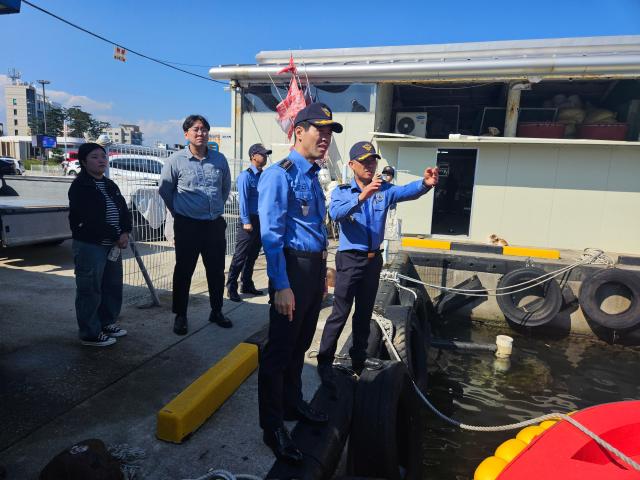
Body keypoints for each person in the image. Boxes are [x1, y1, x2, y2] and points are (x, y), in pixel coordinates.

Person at [257, 103, 343, 464]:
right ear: (298, 132)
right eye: (319, 130)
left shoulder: (310, 174)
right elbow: (272, 235)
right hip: (290, 271)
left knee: (299, 347)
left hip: (310, 271)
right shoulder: (280, 174)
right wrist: (281, 285)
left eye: (329, 132)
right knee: (278, 354)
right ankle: (272, 426)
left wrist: (322, 275)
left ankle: (293, 404)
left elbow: (312, 230)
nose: (325, 138)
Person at [316, 141, 438, 389]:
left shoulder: (384, 190)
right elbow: (337, 214)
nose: (371, 165)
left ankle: (359, 358)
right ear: (352, 165)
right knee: (340, 313)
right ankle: (324, 361)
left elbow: (407, 192)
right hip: (350, 259)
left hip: (373, 260)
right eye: (365, 161)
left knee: (364, 313)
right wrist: (363, 196)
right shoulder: (342, 191)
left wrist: (425, 184)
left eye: (373, 160)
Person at [159, 114, 232, 335]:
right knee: (184, 271)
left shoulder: (219, 160)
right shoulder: (175, 161)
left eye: (204, 129)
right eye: (196, 129)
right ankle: (180, 315)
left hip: (213, 225)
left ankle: (216, 310)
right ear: (186, 134)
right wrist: (180, 212)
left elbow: (225, 188)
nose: (201, 133)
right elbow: (165, 190)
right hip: (187, 226)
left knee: (217, 271)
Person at [68, 142, 132, 347]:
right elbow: (90, 218)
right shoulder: (80, 187)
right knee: (90, 288)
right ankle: (89, 332)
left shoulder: (110, 185)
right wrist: (116, 234)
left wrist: (125, 231)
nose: (101, 160)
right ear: (84, 162)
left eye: (103, 156)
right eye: (95, 157)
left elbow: (123, 210)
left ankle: (106, 322)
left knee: (112, 286)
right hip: (91, 245)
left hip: (112, 245)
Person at [225, 143, 271, 302]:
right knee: (240, 255)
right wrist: (245, 221)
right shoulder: (246, 176)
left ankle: (247, 283)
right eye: (262, 154)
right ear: (253, 156)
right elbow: (243, 200)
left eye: (266, 154)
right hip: (249, 219)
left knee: (253, 254)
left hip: (260, 220)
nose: (265, 157)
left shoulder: (263, 175)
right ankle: (231, 286)